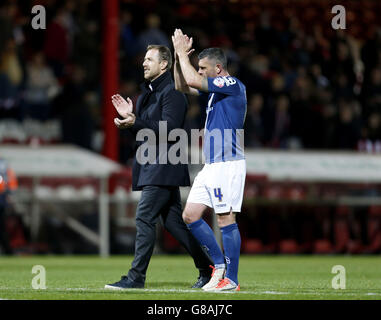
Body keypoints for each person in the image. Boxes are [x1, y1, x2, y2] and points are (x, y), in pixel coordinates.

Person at [105, 44, 213, 289]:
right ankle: (208, 268)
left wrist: (136, 121)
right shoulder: (146, 95)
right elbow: (145, 128)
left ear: (164, 64)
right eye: (144, 59)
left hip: (164, 165)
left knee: (144, 218)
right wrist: (130, 121)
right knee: (174, 223)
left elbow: (171, 130)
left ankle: (136, 278)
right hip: (152, 165)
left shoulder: (172, 92)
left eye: (149, 59)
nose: (144, 63)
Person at [172, 29, 247, 291]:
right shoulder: (216, 91)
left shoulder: (232, 84)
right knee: (190, 215)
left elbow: (192, 80)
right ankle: (219, 266)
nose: (200, 71)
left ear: (218, 68)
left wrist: (184, 55)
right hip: (211, 164)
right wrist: (176, 56)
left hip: (228, 163)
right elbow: (182, 84)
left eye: (203, 68)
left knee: (226, 219)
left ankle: (232, 280)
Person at [0, 158, 18, 255]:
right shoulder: (3, 164)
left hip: (1, 198)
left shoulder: (3, 163)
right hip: (2, 197)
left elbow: (10, 179)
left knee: (2, 227)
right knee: (2, 228)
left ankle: (8, 251)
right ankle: (8, 251)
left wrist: (10, 193)